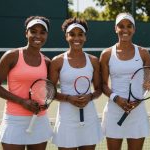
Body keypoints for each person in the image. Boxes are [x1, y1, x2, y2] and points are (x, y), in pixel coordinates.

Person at [0, 16, 53, 150]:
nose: (38, 35)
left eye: (42, 32)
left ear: (46, 35)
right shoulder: (11, 56)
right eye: (33, 31)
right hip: (14, 120)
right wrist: (22, 102)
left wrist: (44, 104)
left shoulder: (47, 61)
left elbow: (46, 89)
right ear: (26, 33)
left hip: (39, 120)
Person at [49, 17, 103, 150]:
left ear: (85, 37)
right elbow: (50, 91)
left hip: (89, 116)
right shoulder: (57, 61)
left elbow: (99, 89)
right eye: (72, 34)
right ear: (66, 37)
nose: (76, 38)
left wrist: (90, 97)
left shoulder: (94, 60)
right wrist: (68, 98)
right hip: (66, 118)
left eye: (80, 34)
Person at [99, 13, 150, 150]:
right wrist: (117, 99)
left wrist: (139, 99)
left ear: (134, 29)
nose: (125, 30)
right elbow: (103, 85)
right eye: (121, 26)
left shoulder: (144, 53)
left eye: (129, 26)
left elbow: (147, 83)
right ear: (115, 28)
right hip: (114, 110)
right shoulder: (106, 54)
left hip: (137, 111)